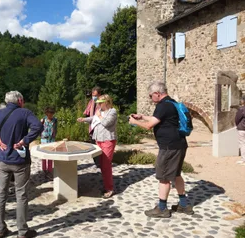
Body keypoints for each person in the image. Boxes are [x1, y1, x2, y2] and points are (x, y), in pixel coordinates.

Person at [0, 91, 43, 238]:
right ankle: (22, 232)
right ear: (20, 100)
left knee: (0, 194)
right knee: (21, 195)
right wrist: (25, 140)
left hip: (3, 160)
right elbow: (37, 127)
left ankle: (0, 230)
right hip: (20, 161)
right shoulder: (25, 113)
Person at [129, 81, 193, 218]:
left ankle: (162, 208)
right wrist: (142, 116)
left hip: (169, 147)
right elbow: (160, 119)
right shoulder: (172, 103)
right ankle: (184, 205)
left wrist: (135, 122)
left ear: (158, 94)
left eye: (151, 95)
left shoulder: (162, 105)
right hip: (179, 144)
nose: (150, 98)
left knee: (164, 177)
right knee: (176, 174)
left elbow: (149, 126)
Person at [78, 94, 117, 198]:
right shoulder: (100, 112)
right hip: (98, 140)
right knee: (101, 164)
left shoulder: (112, 112)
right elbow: (93, 119)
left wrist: (99, 115)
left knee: (106, 165)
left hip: (107, 141)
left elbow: (106, 123)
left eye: (100, 103)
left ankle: (109, 188)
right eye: (98, 103)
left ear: (106, 102)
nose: (98, 105)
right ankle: (106, 184)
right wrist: (84, 119)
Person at [83, 86, 102, 168]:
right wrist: (85, 119)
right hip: (92, 126)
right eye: (93, 94)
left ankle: (100, 163)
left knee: (99, 146)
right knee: (93, 145)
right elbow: (87, 113)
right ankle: (97, 162)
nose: (94, 96)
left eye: (95, 95)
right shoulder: (91, 102)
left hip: (99, 127)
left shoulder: (102, 103)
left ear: (99, 94)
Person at [40, 106, 57, 179]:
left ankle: (49, 170)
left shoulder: (55, 120)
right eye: (49, 113)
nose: (51, 115)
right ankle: (44, 170)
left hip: (51, 139)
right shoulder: (43, 120)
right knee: (44, 155)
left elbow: (56, 128)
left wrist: (54, 135)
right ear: (46, 113)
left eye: (52, 113)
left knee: (50, 155)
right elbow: (39, 128)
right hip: (44, 139)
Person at [235, 95, 245, 165]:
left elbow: (237, 119)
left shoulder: (242, 109)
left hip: (242, 128)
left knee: (242, 144)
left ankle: (243, 159)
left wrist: (238, 125)